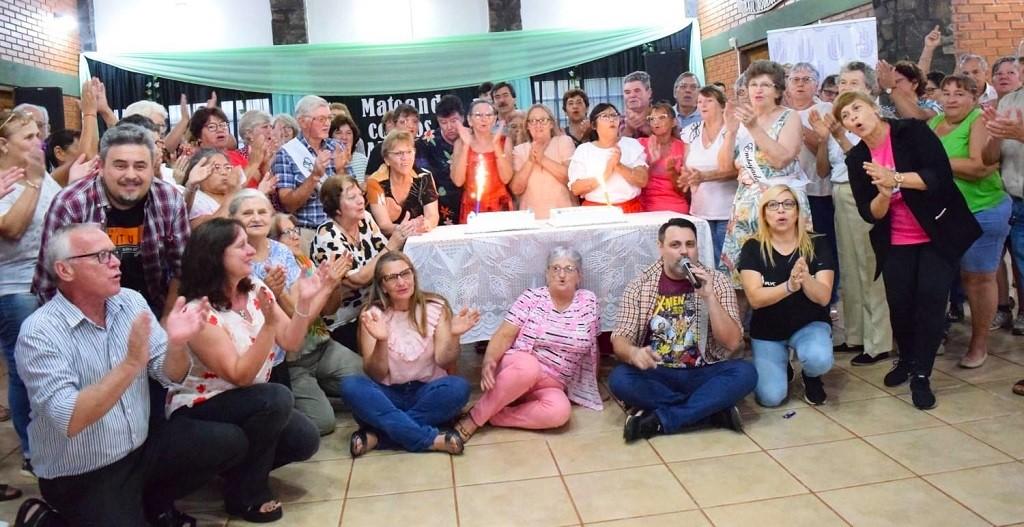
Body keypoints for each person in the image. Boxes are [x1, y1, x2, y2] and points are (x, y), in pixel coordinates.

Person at [17, 223, 245, 525]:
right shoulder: (40, 332)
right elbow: (70, 419)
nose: (115, 262)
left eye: (113, 253)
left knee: (230, 442)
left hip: (139, 449)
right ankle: (43, 519)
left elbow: (170, 376)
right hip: (82, 470)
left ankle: (152, 504)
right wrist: (130, 364)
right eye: (100, 256)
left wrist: (177, 344)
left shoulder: (129, 301)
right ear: (65, 270)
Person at [169, 218, 330, 522]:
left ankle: (237, 471)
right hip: (203, 405)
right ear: (216, 256)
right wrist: (269, 326)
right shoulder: (199, 310)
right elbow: (239, 374)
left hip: (252, 398)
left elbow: (291, 341)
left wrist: (304, 303)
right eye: (240, 245)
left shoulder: (255, 286)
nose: (250, 250)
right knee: (276, 398)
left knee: (304, 438)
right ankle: (247, 494)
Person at [836, 91, 981, 409]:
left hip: (936, 235)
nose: (853, 118)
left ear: (874, 108)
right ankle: (906, 360)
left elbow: (938, 176)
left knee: (930, 302)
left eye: (856, 109)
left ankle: (921, 376)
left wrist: (896, 178)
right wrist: (885, 193)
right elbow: (869, 212)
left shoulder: (911, 131)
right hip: (896, 241)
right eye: (846, 117)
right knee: (900, 305)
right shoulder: (856, 158)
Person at [607, 218, 756, 441]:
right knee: (619, 378)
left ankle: (659, 420)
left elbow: (733, 343)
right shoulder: (640, 285)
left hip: (705, 371)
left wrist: (710, 298)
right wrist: (633, 353)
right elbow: (620, 338)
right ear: (661, 248)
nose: (684, 252)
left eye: (690, 244)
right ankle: (710, 411)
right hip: (658, 373)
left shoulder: (716, 281)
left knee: (745, 374)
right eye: (675, 245)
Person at [232, 192, 365, 435]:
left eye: (262, 212)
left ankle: (321, 387)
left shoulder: (286, 254)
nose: (256, 218)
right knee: (323, 423)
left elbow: (316, 312)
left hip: (319, 344)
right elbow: (293, 316)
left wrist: (332, 285)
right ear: (233, 220)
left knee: (371, 381)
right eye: (247, 213)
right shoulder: (236, 262)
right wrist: (279, 293)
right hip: (288, 359)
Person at [34, 123, 190, 318]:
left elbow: (183, 270)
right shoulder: (71, 203)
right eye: (120, 165)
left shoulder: (169, 198)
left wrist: (167, 321)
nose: (131, 175)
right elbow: (49, 283)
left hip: (152, 305)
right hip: (84, 310)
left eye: (140, 166)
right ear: (100, 166)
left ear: (153, 168)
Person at [453, 246, 602, 440]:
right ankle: (474, 419)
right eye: (555, 268)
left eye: (569, 269)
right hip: (517, 369)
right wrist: (489, 362)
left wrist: (592, 383)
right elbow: (504, 335)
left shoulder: (588, 301)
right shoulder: (532, 297)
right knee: (529, 367)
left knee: (560, 413)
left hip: (552, 383)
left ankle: (494, 415)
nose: (562, 275)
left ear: (579, 276)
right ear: (547, 274)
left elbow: (592, 346)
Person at [339, 252, 476, 456]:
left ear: (414, 275)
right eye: (392, 277)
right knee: (350, 386)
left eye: (405, 273)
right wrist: (382, 341)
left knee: (459, 387)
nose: (401, 282)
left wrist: (454, 335)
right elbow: (375, 374)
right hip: (388, 395)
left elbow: (444, 360)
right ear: (382, 285)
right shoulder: (371, 314)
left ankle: (379, 435)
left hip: (427, 392)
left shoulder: (436, 306)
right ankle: (428, 439)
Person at [815, 60, 896, 366]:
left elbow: (863, 160)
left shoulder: (874, 118)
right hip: (839, 192)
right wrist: (826, 137)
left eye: (853, 83)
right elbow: (825, 168)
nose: (845, 88)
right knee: (848, 265)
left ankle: (878, 341)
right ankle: (855, 335)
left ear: (869, 89)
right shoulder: (838, 117)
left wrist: (838, 134)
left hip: (866, 192)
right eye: (842, 83)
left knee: (869, 264)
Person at [929, 75, 1011, 368]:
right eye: (946, 92)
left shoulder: (978, 120)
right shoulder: (934, 123)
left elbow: (979, 167)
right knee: (938, 278)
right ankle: (935, 335)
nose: (951, 99)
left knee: (977, 279)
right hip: (945, 215)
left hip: (981, 210)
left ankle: (979, 345)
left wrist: (936, 160)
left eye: (960, 93)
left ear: (974, 98)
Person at [0, 109, 62, 484]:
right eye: (27, 136)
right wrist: (36, 184)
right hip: (16, 288)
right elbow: (11, 228)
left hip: (50, 283)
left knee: (52, 370)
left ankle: (55, 442)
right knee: (26, 374)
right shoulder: (14, 180)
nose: (37, 142)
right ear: (3, 144)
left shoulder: (38, 173)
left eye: (38, 135)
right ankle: (30, 449)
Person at [739, 185, 835, 406]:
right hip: (768, 331)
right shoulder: (752, 248)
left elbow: (823, 297)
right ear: (764, 214)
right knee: (770, 398)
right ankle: (783, 365)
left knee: (818, 358)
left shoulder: (817, 242)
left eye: (788, 204)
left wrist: (806, 279)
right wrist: (789, 286)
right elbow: (755, 298)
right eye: (773, 205)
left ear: (798, 212)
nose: (781, 211)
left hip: (809, 324)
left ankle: (811, 376)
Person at [720, 60, 810, 289]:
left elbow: (781, 159)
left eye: (766, 85)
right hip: (746, 206)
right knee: (740, 277)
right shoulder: (741, 120)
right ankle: (741, 326)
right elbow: (724, 166)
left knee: (782, 271)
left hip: (780, 203)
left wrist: (753, 128)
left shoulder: (789, 117)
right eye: (753, 85)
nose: (758, 90)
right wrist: (730, 132)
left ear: (778, 91)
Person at [312, 175, 415, 349]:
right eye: (352, 198)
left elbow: (385, 260)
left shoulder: (365, 219)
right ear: (336, 208)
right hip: (344, 321)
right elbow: (358, 280)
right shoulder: (327, 235)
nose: (361, 201)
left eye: (360, 195)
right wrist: (394, 243)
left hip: (377, 306)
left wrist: (404, 235)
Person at [787, 63, 838, 303]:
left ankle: (829, 299)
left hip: (818, 192)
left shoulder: (825, 108)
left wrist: (798, 125)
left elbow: (823, 147)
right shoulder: (780, 112)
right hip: (788, 195)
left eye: (806, 79)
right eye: (795, 79)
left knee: (823, 250)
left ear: (816, 85)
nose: (799, 83)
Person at [680, 86, 739, 267]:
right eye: (699, 101)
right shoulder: (691, 131)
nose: (702, 105)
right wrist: (683, 176)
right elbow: (687, 166)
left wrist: (705, 176)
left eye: (709, 100)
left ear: (722, 105)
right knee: (705, 262)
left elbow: (738, 170)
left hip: (726, 210)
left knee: (727, 263)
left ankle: (729, 295)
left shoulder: (733, 129)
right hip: (699, 209)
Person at [273, 95, 342, 246]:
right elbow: (288, 204)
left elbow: (351, 192)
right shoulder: (286, 153)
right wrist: (314, 177)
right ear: (302, 121)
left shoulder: (336, 147)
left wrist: (341, 169)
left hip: (340, 230)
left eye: (329, 118)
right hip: (308, 234)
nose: (327, 124)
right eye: (321, 119)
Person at [567, 103, 649, 212]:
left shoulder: (631, 145)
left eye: (614, 115)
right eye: (605, 116)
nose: (611, 120)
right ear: (593, 125)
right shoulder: (584, 150)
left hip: (629, 210)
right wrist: (606, 172)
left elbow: (642, 180)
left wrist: (619, 166)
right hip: (594, 211)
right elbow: (576, 188)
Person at [451, 99, 515, 222]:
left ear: (495, 118)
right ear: (469, 120)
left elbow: (506, 178)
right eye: (478, 115)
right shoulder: (460, 143)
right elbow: (458, 181)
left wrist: (496, 145)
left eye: (488, 115)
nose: (484, 119)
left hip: (500, 205)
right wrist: (466, 146)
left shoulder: (504, 141)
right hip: (472, 206)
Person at [366, 129, 440, 234]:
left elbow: (433, 216)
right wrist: (409, 228)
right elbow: (384, 225)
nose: (405, 158)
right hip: (387, 242)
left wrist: (425, 224)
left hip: (419, 238)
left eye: (409, 152)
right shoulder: (375, 182)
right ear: (387, 159)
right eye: (399, 153)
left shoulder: (424, 177)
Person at [510, 104, 576, 218]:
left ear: (551, 124)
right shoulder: (519, 150)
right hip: (531, 218)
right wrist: (530, 161)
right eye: (533, 121)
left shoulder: (563, 141)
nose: (538, 124)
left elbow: (570, 178)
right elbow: (516, 189)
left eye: (543, 120)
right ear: (527, 126)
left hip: (563, 215)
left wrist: (542, 159)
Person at [415, 94, 464, 225]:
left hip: (469, 204)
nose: (449, 127)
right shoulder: (426, 142)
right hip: (439, 209)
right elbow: (422, 178)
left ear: (463, 118)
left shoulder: (472, 138)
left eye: (454, 121)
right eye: (444, 122)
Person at [639, 102, 688, 213]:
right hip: (646, 204)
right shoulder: (640, 144)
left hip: (674, 204)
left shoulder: (682, 147)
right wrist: (650, 163)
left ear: (674, 122)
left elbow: (683, 190)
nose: (656, 122)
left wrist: (671, 171)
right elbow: (637, 181)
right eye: (652, 118)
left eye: (662, 117)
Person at [183, 148, 241, 228]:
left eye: (227, 167)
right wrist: (231, 194)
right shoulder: (195, 199)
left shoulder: (237, 195)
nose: (224, 172)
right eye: (216, 168)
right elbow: (214, 229)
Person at [365, 104, 420, 176]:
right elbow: (368, 179)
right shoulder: (380, 149)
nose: (410, 126)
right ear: (395, 125)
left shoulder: (425, 146)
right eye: (403, 122)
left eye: (414, 121)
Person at [237, 109, 278, 188]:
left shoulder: (279, 154)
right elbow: (235, 189)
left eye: (271, 127)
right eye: (265, 127)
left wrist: (265, 164)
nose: (271, 131)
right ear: (249, 133)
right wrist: (255, 162)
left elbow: (274, 190)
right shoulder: (235, 156)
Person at [330, 113, 369, 182]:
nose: (344, 137)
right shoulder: (326, 162)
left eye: (348, 133)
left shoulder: (363, 160)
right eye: (339, 133)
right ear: (330, 137)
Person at [621, 71, 654, 138]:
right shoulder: (617, 121)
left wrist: (650, 131)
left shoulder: (663, 116)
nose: (632, 95)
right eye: (627, 92)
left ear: (649, 93)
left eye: (637, 91)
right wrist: (628, 130)